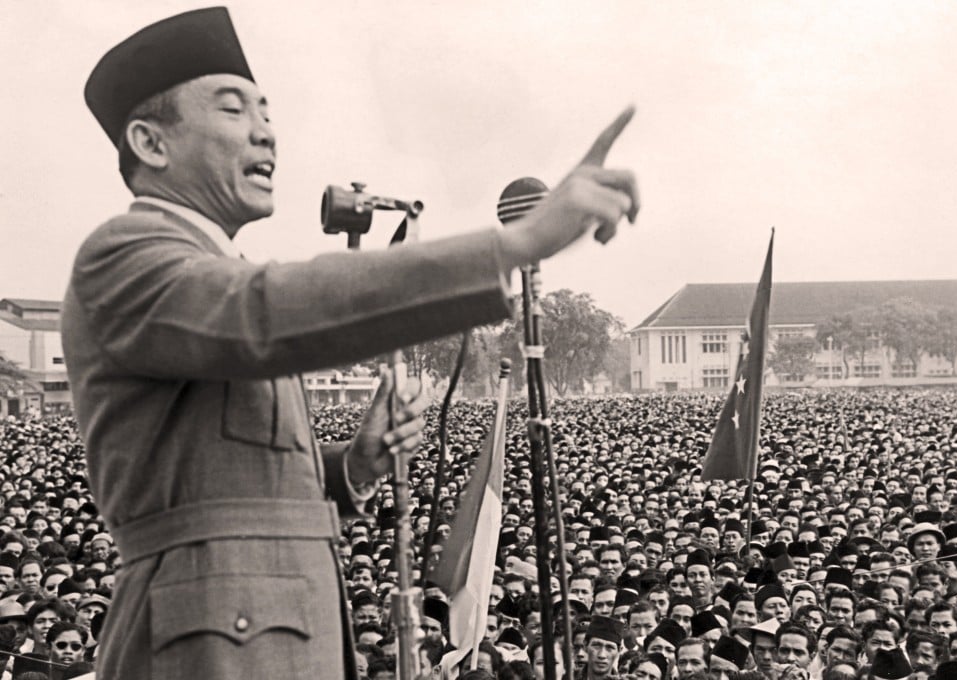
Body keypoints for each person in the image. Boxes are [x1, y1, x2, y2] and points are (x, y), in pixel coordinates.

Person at [67, 7, 638, 680]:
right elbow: (262, 312)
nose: (265, 134)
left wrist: (353, 465)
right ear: (150, 142)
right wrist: (512, 248)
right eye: (233, 110)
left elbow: (232, 478)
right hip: (211, 642)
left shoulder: (207, 269)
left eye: (268, 113)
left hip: (269, 632)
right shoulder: (126, 256)